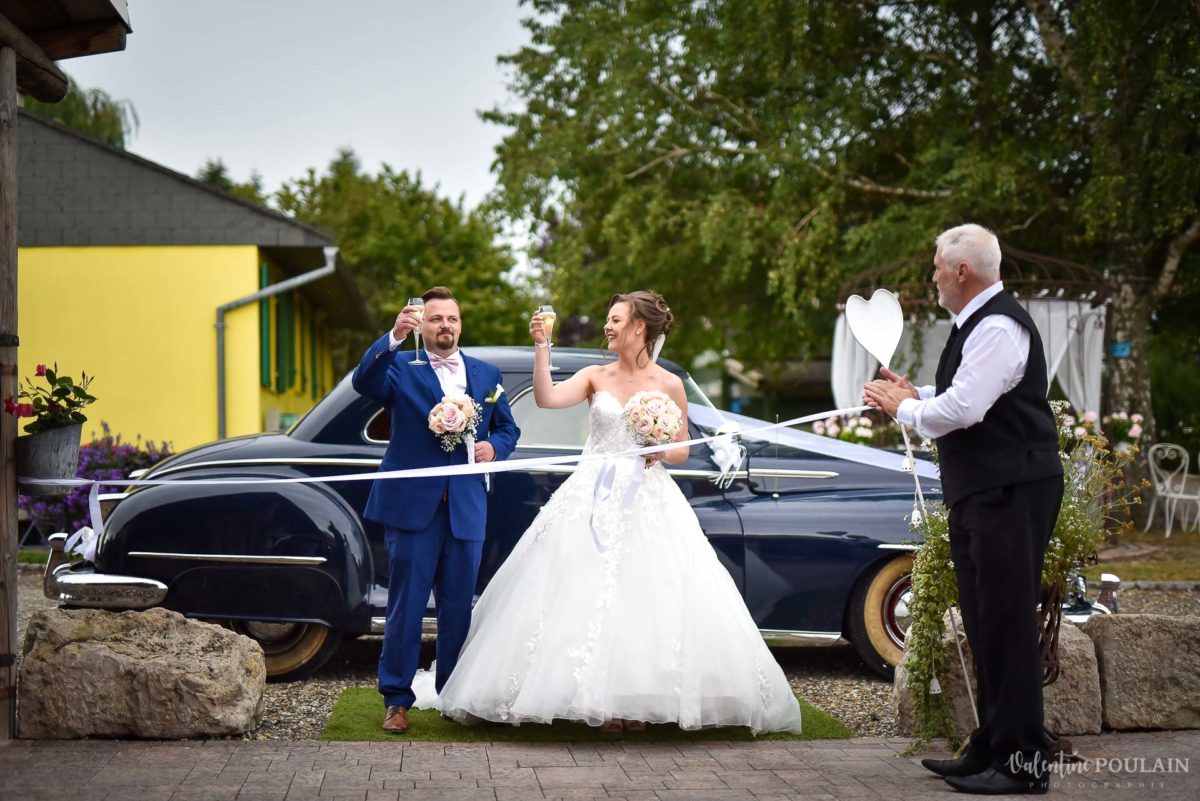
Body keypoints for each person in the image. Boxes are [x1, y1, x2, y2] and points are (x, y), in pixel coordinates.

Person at [435, 290, 802, 734]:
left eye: (614, 320)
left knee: (648, 597)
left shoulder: (669, 384)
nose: (606, 327)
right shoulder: (595, 375)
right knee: (580, 590)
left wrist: (658, 449)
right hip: (590, 496)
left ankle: (639, 702)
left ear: (638, 328)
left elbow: (684, 449)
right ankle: (595, 701)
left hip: (649, 498)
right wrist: (541, 346)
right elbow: (548, 397)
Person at [864, 224, 1063, 795]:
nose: (930, 276)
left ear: (961, 271)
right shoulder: (976, 325)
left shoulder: (998, 323)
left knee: (1006, 621)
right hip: (986, 488)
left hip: (1012, 487)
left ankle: (1023, 764)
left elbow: (969, 408)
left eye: (935, 267)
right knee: (983, 619)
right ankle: (991, 746)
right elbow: (957, 393)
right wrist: (913, 394)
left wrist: (905, 410)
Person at [352, 286, 520, 734]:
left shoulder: (485, 374)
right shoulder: (402, 368)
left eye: (452, 319)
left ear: (460, 324)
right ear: (422, 325)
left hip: (465, 507)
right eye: (435, 319)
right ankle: (396, 700)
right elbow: (363, 381)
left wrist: (494, 447)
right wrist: (391, 336)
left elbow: (508, 427)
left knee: (458, 609)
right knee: (405, 607)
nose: (445, 325)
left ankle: (453, 694)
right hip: (413, 509)